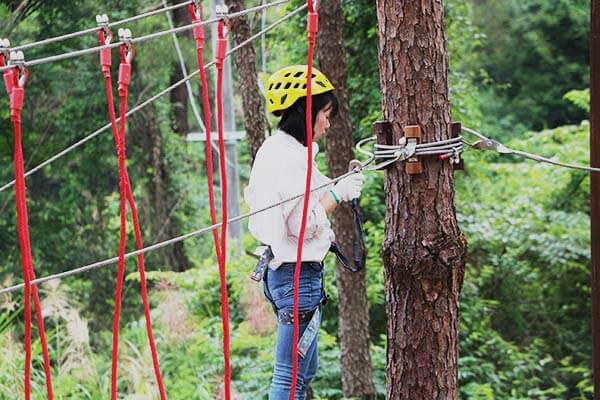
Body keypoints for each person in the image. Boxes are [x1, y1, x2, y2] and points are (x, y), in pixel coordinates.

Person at [244, 65, 365, 400]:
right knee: (290, 375)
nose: (328, 123)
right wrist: (337, 196)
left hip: (282, 274)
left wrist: (335, 185)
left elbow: (297, 195)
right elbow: (302, 223)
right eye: (325, 114)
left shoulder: (276, 147)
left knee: (303, 372)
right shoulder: (292, 158)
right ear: (306, 111)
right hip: (297, 277)